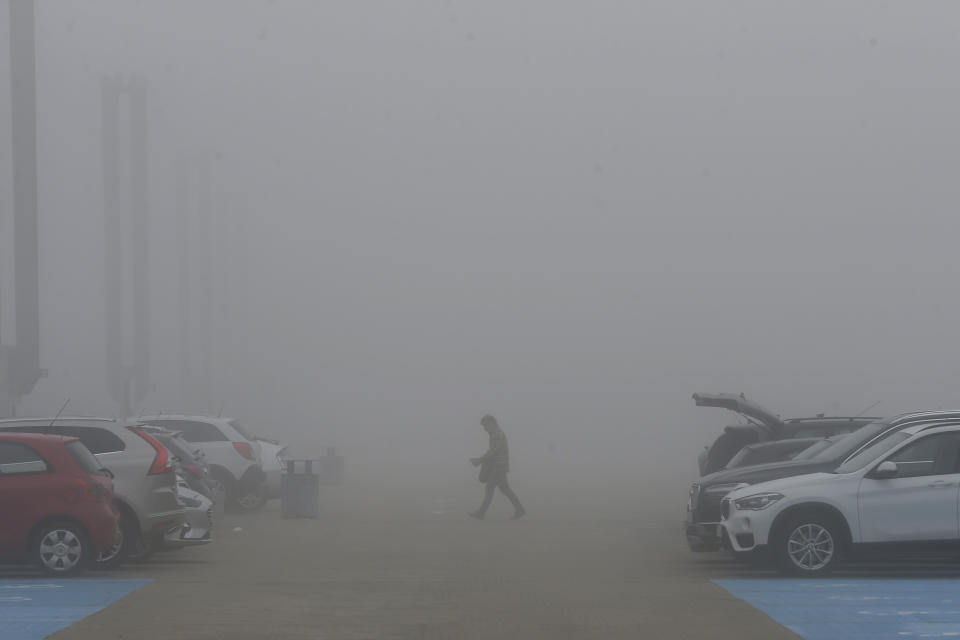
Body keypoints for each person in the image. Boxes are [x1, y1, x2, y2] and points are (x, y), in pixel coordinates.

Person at [469, 414, 526, 520]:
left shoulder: (497, 435)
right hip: (499, 466)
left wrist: (479, 460)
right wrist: (481, 460)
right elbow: (492, 451)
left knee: (490, 488)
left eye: (485, 426)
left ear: (491, 424)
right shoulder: (495, 434)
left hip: (498, 466)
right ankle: (520, 510)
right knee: (505, 489)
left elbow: (493, 452)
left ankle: (481, 513)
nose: (485, 429)